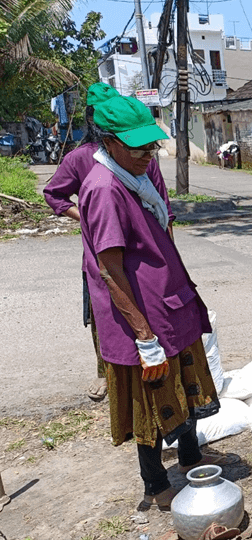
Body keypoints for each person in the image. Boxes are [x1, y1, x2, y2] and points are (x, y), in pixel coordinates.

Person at [78, 95, 237, 512]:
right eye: (137, 148)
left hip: (168, 304)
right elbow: (109, 268)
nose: (147, 156)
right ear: (109, 142)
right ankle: (155, 484)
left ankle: (190, 457)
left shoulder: (137, 179)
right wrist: (143, 336)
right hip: (141, 318)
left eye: (151, 147)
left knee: (184, 380)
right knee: (151, 398)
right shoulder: (105, 188)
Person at [43, 83, 165, 402]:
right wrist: (86, 217)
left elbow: (162, 204)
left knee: (151, 320)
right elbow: (53, 194)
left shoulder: (142, 155)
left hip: (147, 254)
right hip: (104, 257)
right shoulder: (87, 167)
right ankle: (110, 374)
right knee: (107, 317)